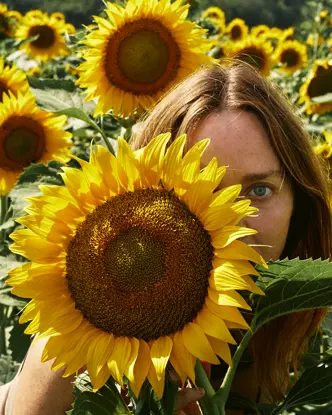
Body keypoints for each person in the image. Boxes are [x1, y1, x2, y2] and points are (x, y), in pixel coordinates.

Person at [1, 62, 331, 414]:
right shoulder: (82, 333)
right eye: (199, 189)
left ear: (299, 201)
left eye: (259, 190)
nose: (230, 221)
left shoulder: (294, 318)